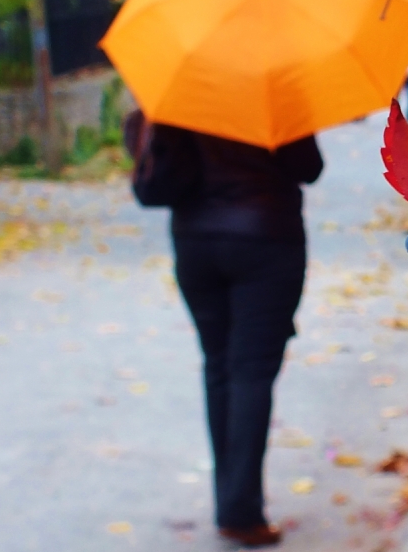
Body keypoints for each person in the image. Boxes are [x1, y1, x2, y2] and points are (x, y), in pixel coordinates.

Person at [125, 113, 323, 547]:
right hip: (267, 240)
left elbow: (156, 174)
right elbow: (309, 166)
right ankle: (240, 510)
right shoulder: (274, 88)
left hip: (196, 243)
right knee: (251, 372)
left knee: (218, 367)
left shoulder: (180, 91)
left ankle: (232, 502)